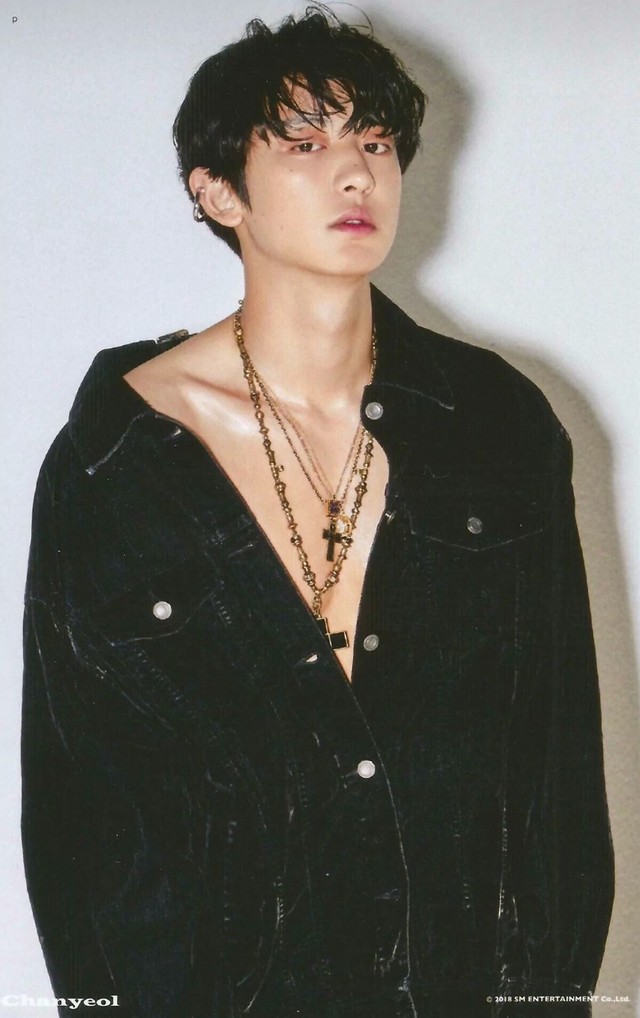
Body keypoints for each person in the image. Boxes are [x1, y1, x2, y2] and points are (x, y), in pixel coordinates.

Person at [21, 8, 614, 1017]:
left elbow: (553, 762)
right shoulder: (114, 463)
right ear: (217, 192)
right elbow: (77, 801)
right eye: (303, 145)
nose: (354, 174)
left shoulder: (496, 424)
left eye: (374, 143)